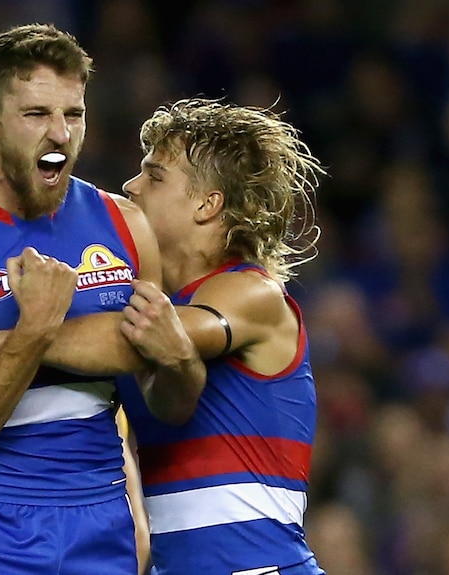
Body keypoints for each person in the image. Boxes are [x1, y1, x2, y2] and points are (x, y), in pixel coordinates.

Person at [0, 23, 193, 575]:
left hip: (102, 520)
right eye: (36, 115)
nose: (60, 135)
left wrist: (136, 505)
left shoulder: (126, 224)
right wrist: (33, 330)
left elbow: (149, 373)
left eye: (74, 114)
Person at [113, 97, 328, 574]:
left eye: (154, 175)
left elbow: (162, 332)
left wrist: (24, 330)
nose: (130, 186)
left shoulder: (253, 293)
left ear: (208, 204)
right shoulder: (147, 304)